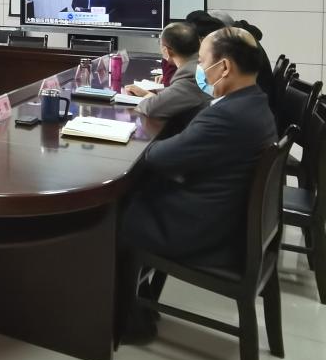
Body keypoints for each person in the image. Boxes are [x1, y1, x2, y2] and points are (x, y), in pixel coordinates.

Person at [119, 27, 278, 342]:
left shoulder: (228, 115)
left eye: (203, 61)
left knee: (118, 213)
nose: (199, 69)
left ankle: (130, 322)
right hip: (231, 218)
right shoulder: (255, 102)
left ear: (224, 67)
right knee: (141, 193)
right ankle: (139, 303)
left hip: (204, 228)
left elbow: (159, 158)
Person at [125, 22, 210, 132]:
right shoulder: (200, 66)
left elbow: (152, 108)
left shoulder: (191, 76)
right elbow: (177, 95)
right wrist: (146, 94)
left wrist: (147, 98)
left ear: (166, 51)